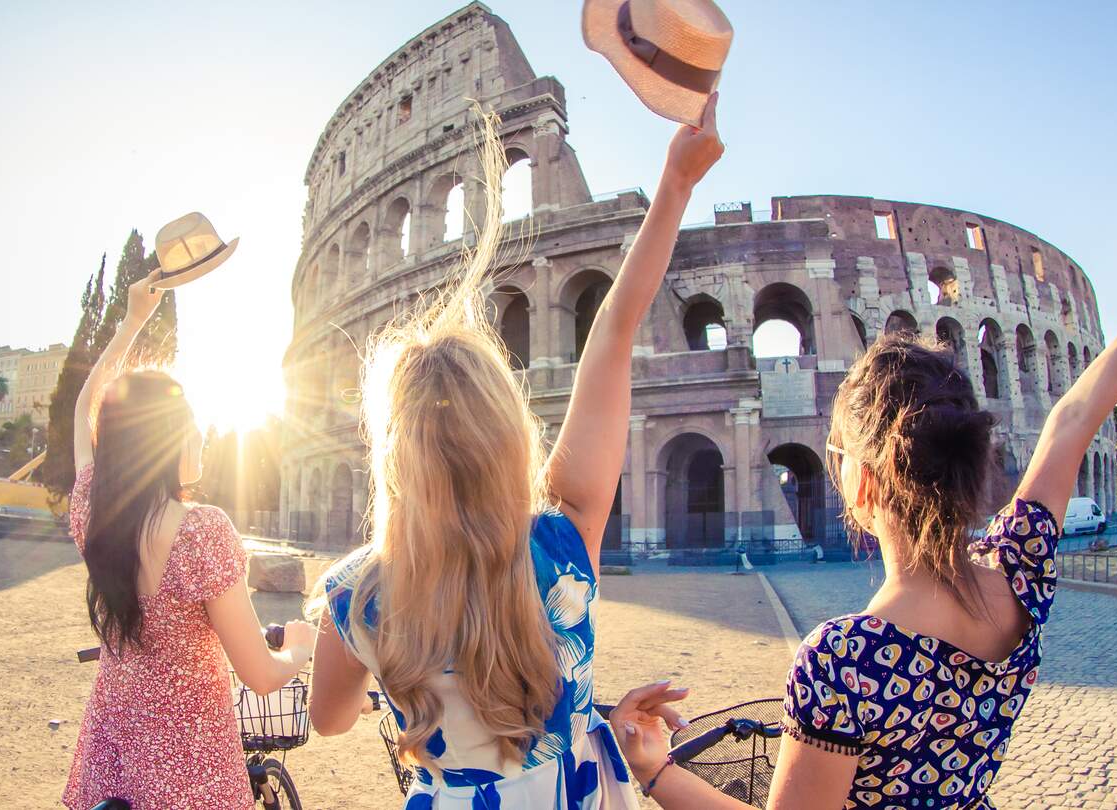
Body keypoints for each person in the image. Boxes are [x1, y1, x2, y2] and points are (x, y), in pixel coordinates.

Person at [608, 296, 1117, 809]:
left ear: (865, 482)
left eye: (838, 457)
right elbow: (1070, 423)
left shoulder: (843, 659)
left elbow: (1069, 422)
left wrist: (655, 772)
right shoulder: (1021, 570)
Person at [305, 97, 723, 808]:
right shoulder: (563, 540)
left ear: (395, 456)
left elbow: (329, 720)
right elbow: (615, 330)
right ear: (509, 434)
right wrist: (676, 182)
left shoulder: (353, 594)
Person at [62, 274, 315, 809]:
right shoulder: (201, 531)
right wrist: (299, 647)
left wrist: (132, 321)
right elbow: (259, 674)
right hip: (192, 775)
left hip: (112, 759)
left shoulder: (93, 511)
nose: (200, 433)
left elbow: (85, 410)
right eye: (190, 423)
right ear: (168, 441)